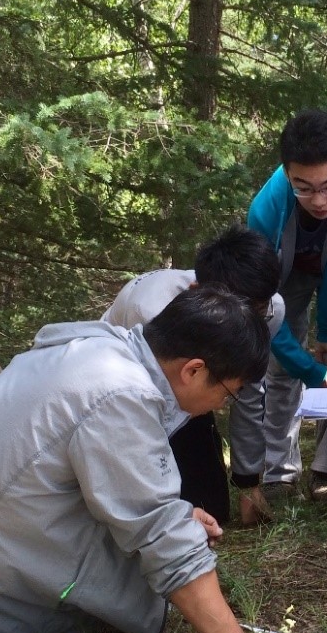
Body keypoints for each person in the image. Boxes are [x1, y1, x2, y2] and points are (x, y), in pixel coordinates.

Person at [0, 286, 306, 633]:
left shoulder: (88, 349)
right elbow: (158, 530)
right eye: (229, 394)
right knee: (136, 583)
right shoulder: (122, 394)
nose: (222, 406)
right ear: (194, 370)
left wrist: (180, 514)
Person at [231, 110, 327, 514]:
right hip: (286, 277)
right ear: (288, 174)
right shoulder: (266, 211)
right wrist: (304, 366)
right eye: (303, 188)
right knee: (281, 372)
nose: (319, 200)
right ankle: (280, 474)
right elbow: (265, 307)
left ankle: (326, 471)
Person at [102, 225, 284, 527]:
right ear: (197, 293)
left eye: (256, 312)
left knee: (211, 509)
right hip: (128, 393)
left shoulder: (270, 310)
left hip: (194, 387)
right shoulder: (151, 312)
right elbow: (142, 413)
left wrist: (248, 482)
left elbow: (247, 392)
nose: (244, 326)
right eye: (231, 316)